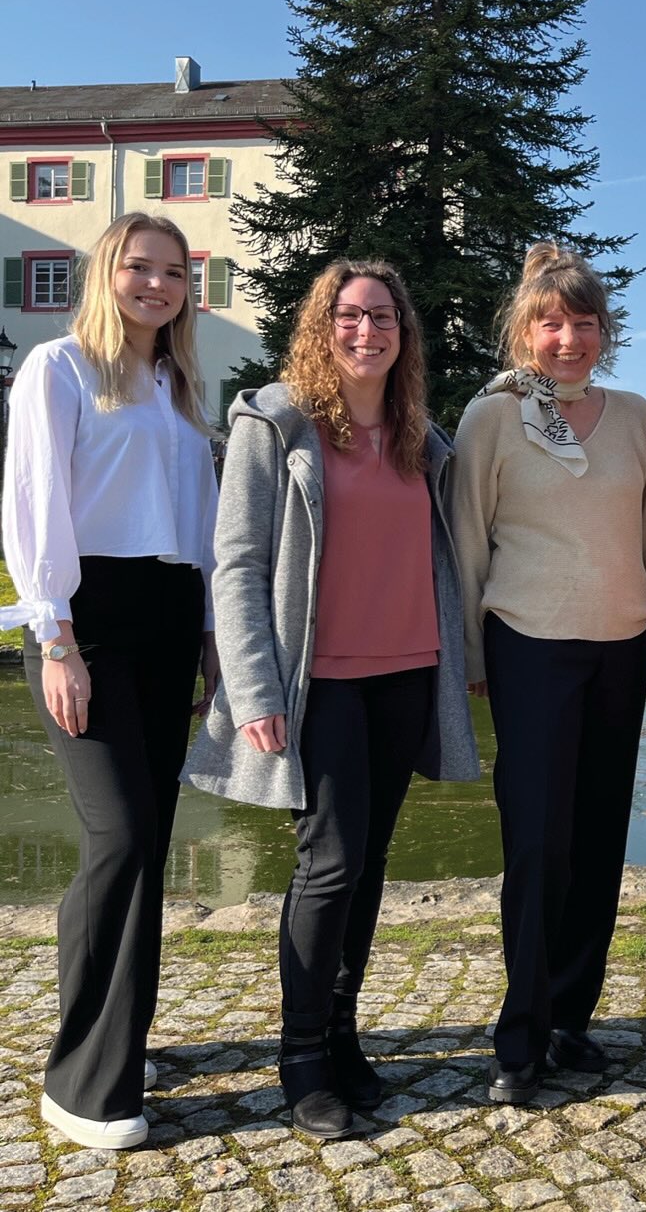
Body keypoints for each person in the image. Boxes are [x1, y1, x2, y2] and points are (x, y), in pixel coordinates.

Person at [184, 259, 479, 1139]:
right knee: (332, 862)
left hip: (406, 672)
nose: (367, 331)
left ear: (404, 334)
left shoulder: (419, 435)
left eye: (384, 317)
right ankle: (302, 1051)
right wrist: (252, 686)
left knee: (372, 861)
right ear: (323, 325)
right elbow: (234, 562)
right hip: (320, 684)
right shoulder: (273, 423)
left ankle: (344, 1035)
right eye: (350, 315)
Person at [0, 213, 219, 1150]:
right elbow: (34, 502)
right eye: (141, 267)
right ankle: (82, 1081)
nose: (158, 285)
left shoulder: (177, 384)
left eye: (175, 272)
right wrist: (56, 637)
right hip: (92, 622)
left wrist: (212, 638)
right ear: (107, 272)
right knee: (118, 834)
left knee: (148, 839)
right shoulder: (59, 368)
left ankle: (119, 1038)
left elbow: (199, 519)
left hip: (170, 622)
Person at [450, 242, 646, 1105]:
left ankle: (573, 1016)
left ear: (603, 332)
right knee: (537, 843)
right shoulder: (493, 418)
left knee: (598, 838)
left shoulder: (637, 417)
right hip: (528, 644)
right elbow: (468, 541)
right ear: (525, 330)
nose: (568, 339)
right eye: (551, 322)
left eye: (584, 323)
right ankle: (521, 1035)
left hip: (621, 645)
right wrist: (471, 651)